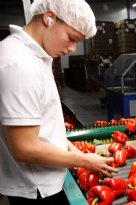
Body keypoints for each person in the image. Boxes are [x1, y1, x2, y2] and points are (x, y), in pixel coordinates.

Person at [0, 0, 118, 204]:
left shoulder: (35, 56)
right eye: (72, 38)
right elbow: (25, 148)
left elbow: (43, 126)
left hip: (43, 179)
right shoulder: (20, 64)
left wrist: (73, 150)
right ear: (49, 18)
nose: (73, 49)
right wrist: (84, 161)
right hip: (36, 189)